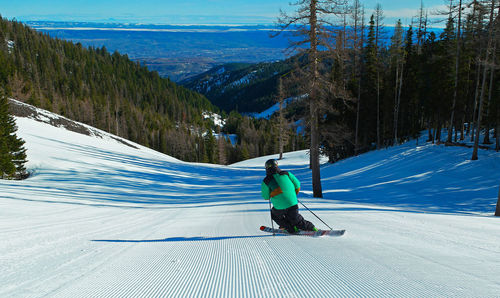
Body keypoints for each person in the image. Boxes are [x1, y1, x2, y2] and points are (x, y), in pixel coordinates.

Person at [261, 159, 317, 234]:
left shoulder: (266, 180)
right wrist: (292, 195)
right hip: (292, 202)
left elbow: (266, 197)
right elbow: (297, 185)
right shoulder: (287, 173)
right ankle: (312, 228)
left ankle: (290, 228)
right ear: (277, 165)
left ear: (267, 168)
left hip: (279, 206)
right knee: (296, 219)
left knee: (275, 215)